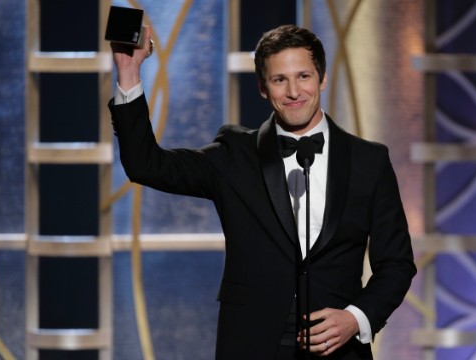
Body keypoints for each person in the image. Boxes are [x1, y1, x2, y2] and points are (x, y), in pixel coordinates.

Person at [109, 24, 416, 359]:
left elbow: (397, 263)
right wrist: (129, 69)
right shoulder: (235, 155)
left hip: (339, 349)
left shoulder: (368, 160)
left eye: (304, 76)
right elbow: (146, 165)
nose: (294, 91)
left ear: (322, 78)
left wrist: (355, 318)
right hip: (251, 345)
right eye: (279, 79)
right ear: (262, 88)